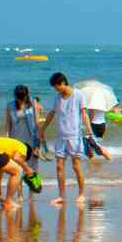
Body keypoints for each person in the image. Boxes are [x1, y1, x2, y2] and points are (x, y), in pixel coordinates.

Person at [38, 71, 89, 205]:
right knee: (59, 167)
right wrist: (43, 129)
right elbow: (52, 113)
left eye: (56, 86)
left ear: (63, 83)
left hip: (74, 136)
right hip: (61, 136)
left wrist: (88, 130)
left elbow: (84, 114)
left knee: (76, 166)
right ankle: (61, 196)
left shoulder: (78, 95)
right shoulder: (58, 97)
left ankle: (82, 194)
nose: (56, 89)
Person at [7, 84, 44, 159]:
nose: (20, 100)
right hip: (16, 137)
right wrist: (7, 136)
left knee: (32, 162)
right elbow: (8, 123)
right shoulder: (10, 105)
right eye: (18, 97)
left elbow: (37, 122)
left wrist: (40, 137)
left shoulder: (33, 103)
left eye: (22, 97)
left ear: (26, 95)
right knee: (17, 161)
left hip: (31, 137)